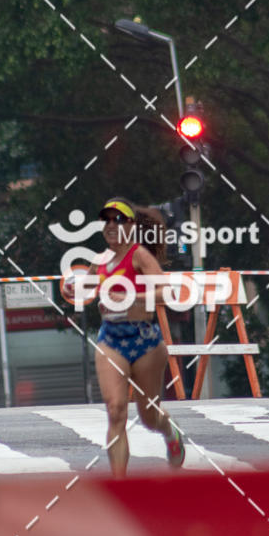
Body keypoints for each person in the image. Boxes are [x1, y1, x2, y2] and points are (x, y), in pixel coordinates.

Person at [72, 197, 185, 477]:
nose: (111, 225)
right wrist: (75, 291)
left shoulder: (140, 256)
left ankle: (169, 430)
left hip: (145, 342)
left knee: (148, 417)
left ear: (131, 225)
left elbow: (166, 292)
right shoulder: (99, 261)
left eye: (118, 219)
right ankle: (120, 485)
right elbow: (83, 290)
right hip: (111, 341)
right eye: (107, 220)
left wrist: (130, 296)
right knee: (116, 410)